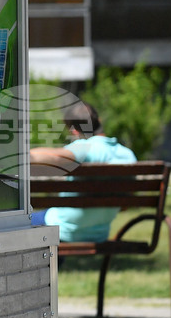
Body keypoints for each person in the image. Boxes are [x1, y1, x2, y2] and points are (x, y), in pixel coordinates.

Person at [30, 101, 136, 242]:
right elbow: (124, 206)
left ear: (74, 131)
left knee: (16, 224)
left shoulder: (85, 148)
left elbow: (52, 157)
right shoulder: (128, 155)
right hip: (99, 232)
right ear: (99, 120)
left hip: (65, 228)